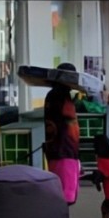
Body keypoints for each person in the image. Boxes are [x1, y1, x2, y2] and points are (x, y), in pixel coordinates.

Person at [43, 70, 82, 204]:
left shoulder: (51, 95)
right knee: (65, 191)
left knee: (57, 184)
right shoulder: (61, 96)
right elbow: (69, 114)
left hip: (55, 145)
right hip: (65, 147)